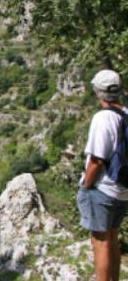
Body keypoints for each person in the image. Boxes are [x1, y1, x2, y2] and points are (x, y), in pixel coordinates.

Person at [78, 69, 128, 281]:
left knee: (100, 242)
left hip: (103, 188)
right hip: (123, 188)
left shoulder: (102, 118)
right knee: (113, 238)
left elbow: (97, 160)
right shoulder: (126, 113)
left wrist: (86, 185)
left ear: (98, 91)